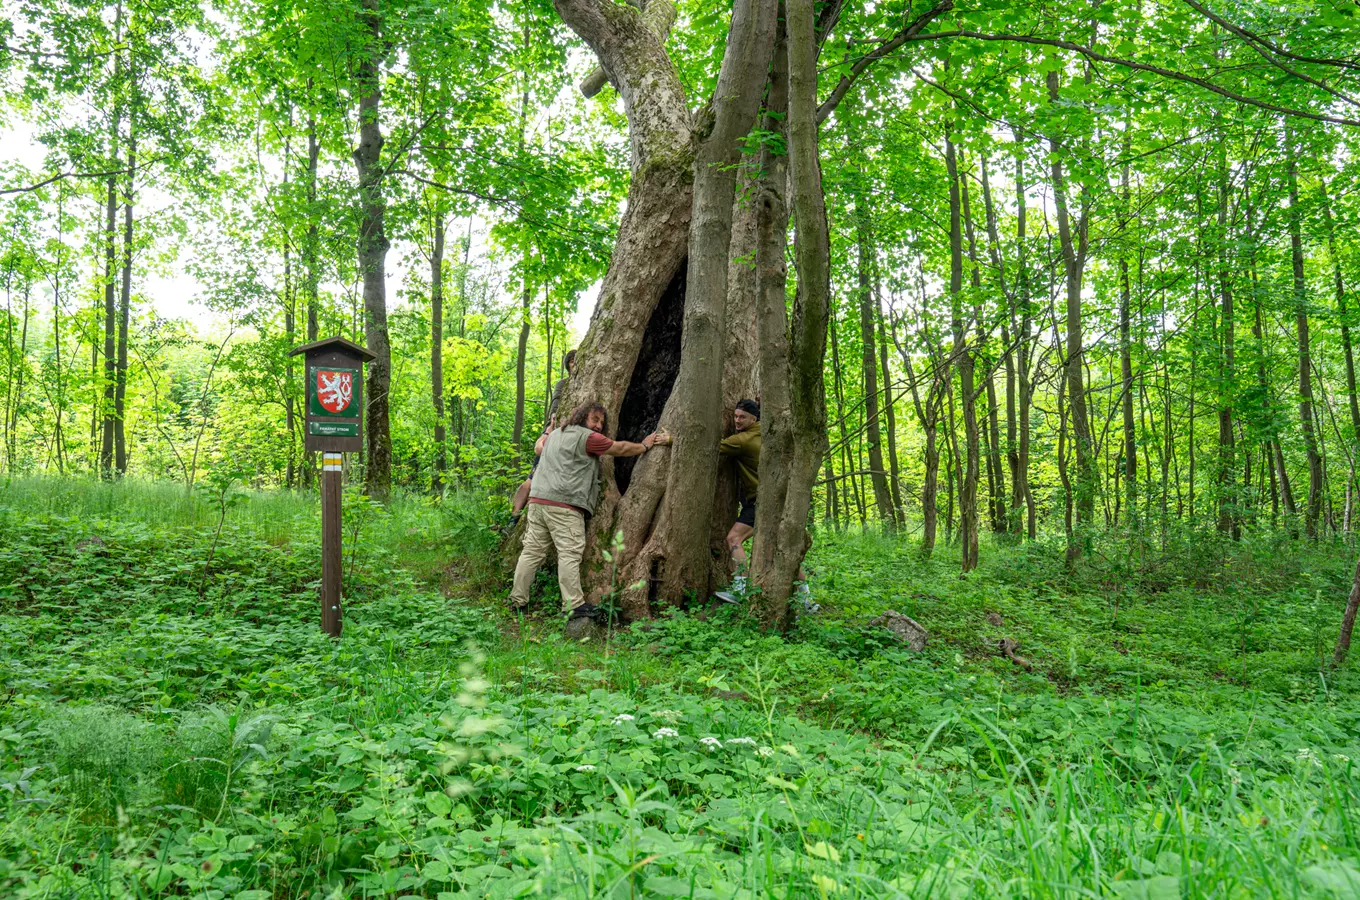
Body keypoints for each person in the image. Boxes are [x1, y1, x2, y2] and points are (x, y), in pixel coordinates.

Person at [509, 402, 667, 628]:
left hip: (538, 501)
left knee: (532, 551)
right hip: (564, 504)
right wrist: (643, 446)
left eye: (602, 422)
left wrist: (547, 431)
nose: (599, 425)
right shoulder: (588, 438)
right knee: (570, 553)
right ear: (583, 417)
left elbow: (539, 447)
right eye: (595, 419)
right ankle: (573, 605)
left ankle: (518, 601)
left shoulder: (556, 435)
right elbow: (619, 448)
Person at [714, 399, 816, 611]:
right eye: (735, 416)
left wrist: (671, 440)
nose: (737, 420)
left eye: (742, 417)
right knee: (780, 548)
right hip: (782, 499)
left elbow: (709, 446)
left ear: (754, 418)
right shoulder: (768, 429)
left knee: (734, 538)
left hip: (761, 501)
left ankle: (740, 589)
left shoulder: (741, 440)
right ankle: (807, 600)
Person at [512, 350, 577, 519]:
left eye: (577, 359)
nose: (575, 362)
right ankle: (514, 515)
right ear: (567, 365)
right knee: (533, 475)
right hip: (553, 430)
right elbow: (555, 403)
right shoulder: (563, 384)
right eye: (571, 360)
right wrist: (553, 420)